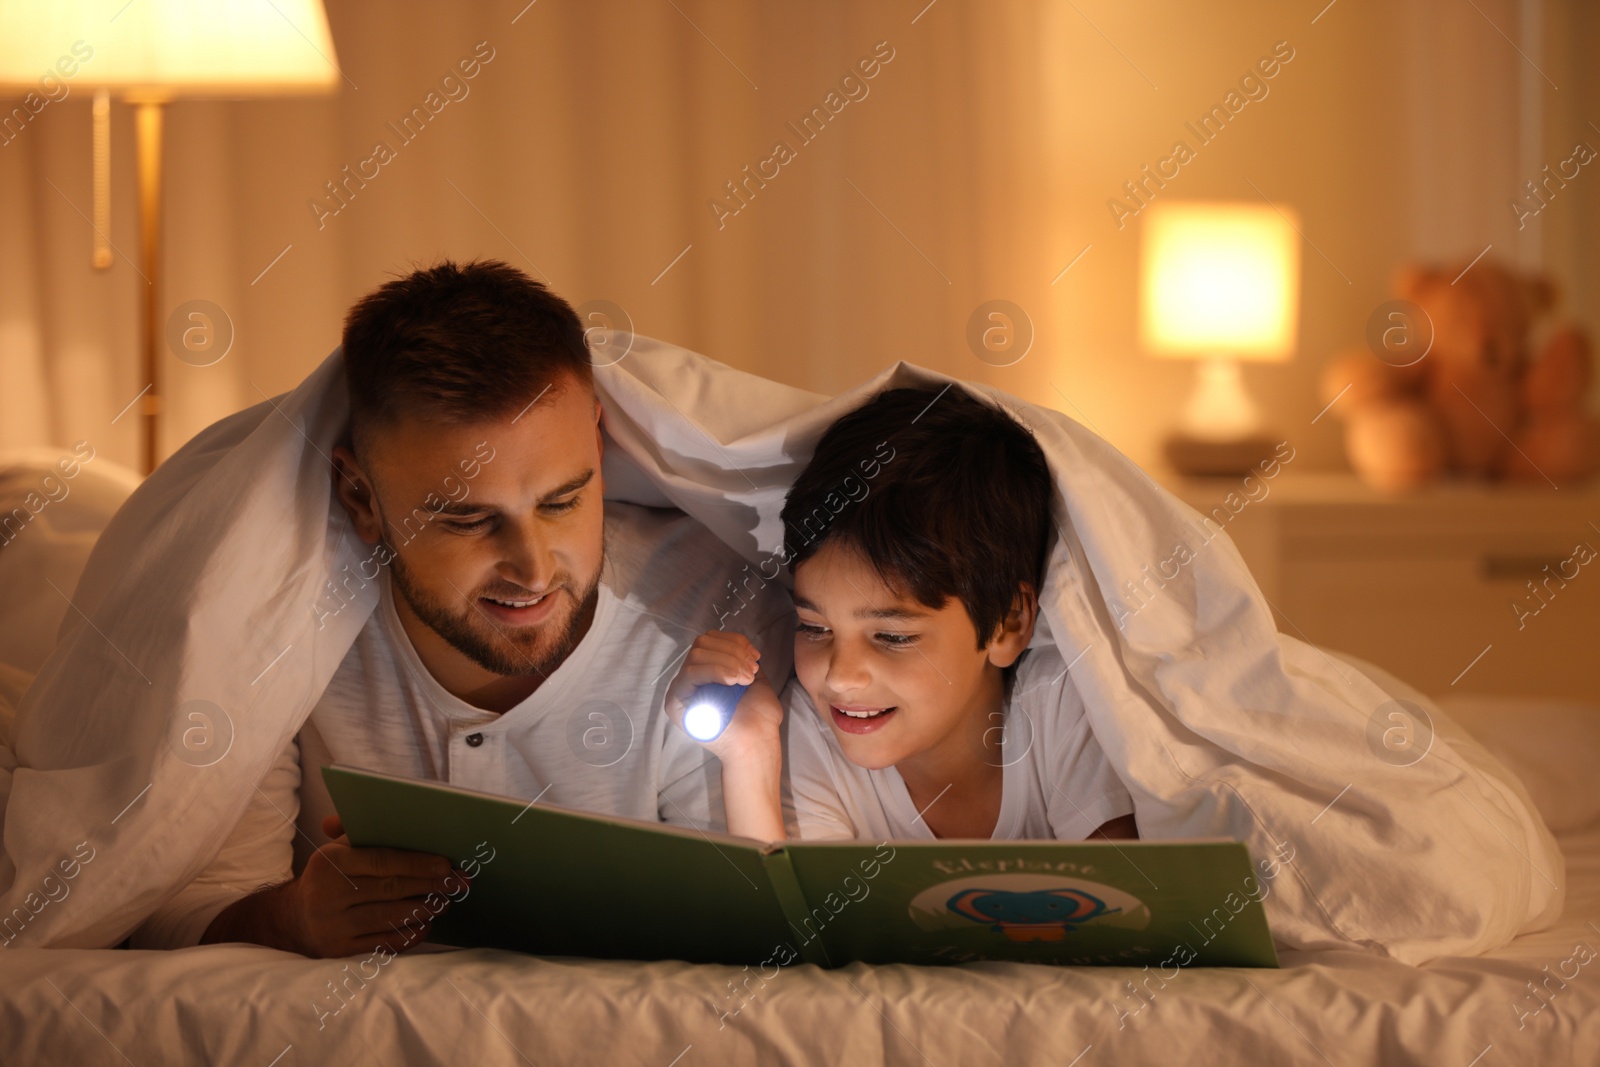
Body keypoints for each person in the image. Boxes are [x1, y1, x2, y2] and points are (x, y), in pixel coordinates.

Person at [129, 261, 793, 957]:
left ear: (599, 443)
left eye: (562, 501)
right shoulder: (282, 623)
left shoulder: (716, 607)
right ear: (360, 498)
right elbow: (158, 909)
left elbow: (757, 941)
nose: (533, 569)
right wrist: (289, 919)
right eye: (468, 520)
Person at [666, 385, 1136, 843]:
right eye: (815, 628)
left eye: (892, 636)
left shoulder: (1059, 712)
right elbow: (790, 923)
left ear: (1008, 623)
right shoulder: (810, 735)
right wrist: (749, 755)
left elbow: (1123, 911)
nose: (841, 678)